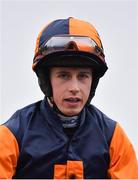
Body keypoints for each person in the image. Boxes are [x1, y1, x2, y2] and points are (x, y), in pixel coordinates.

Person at [0, 17, 138, 179]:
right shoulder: (13, 134)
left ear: (93, 81)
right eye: (63, 75)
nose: (74, 88)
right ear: (46, 80)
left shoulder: (113, 137)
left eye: (83, 76)